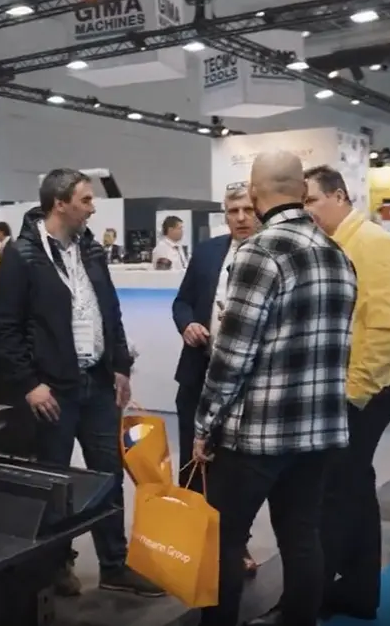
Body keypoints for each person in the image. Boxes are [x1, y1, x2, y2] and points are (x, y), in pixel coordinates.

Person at [193, 151, 357, 626]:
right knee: (302, 536)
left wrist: (204, 423)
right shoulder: (338, 255)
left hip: (257, 436)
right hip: (321, 429)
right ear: (302, 194)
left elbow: (232, 356)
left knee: (224, 539)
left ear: (257, 192)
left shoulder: (258, 252)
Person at [245, 165, 390, 624]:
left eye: (312, 200)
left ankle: (307, 603)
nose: (305, 209)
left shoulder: (373, 244)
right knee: (354, 489)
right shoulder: (332, 245)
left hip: (365, 390)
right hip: (348, 388)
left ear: (339, 196)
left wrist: (351, 393)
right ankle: (358, 591)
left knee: (331, 495)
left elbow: (389, 328)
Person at [0, 168, 163, 598]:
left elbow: (112, 314)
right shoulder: (22, 254)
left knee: (108, 476)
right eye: (85, 200)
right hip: (53, 391)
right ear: (59, 203)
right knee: (56, 482)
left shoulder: (90, 250)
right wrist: (30, 384)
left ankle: (114, 564)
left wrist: (120, 366)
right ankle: (56, 564)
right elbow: (5, 327)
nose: (93, 207)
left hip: (99, 384)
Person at [171, 182, 259, 575]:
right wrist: (187, 323)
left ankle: (234, 546)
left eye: (246, 210)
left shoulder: (272, 253)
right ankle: (189, 544)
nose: (240, 218)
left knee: (238, 472)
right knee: (192, 463)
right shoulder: (208, 252)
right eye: (232, 211)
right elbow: (182, 300)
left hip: (247, 385)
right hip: (197, 372)